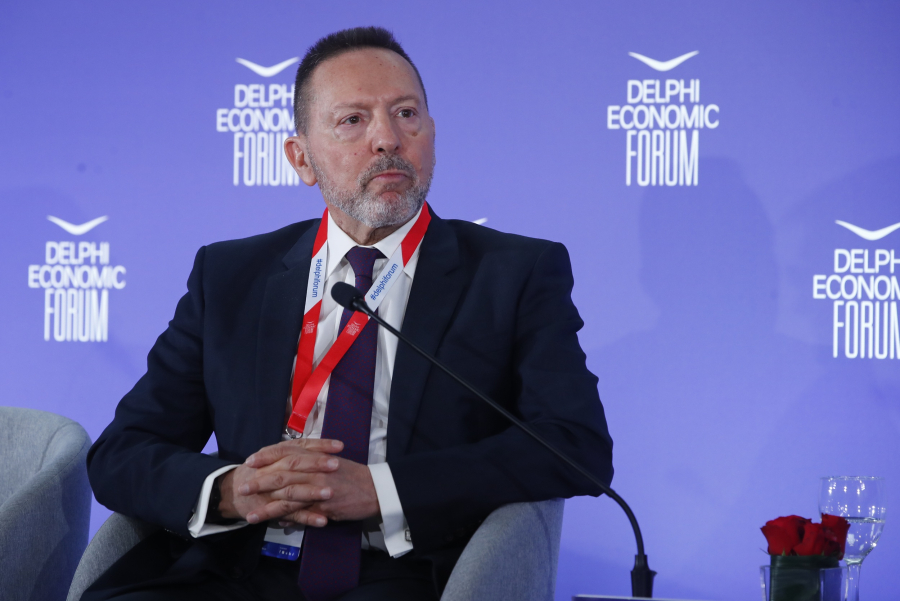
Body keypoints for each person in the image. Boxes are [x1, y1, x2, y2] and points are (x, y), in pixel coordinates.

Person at [85, 26, 613, 601]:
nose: (387, 139)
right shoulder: (231, 275)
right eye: (353, 120)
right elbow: (123, 452)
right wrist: (233, 490)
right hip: (233, 566)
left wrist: (383, 491)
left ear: (432, 135)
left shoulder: (512, 273)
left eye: (406, 114)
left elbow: (574, 443)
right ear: (302, 158)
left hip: (401, 572)